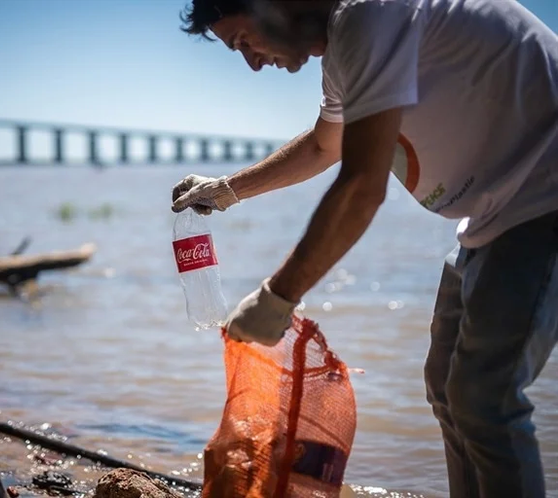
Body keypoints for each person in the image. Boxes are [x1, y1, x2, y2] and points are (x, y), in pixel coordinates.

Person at [170, 0, 558, 496]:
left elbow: (361, 186)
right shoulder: (344, 51)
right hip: (491, 215)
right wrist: (228, 189)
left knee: (486, 400)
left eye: (244, 41)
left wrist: (278, 296)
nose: (251, 62)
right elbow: (322, 147)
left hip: (542, 196)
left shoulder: (369, 13)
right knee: (447, 389)